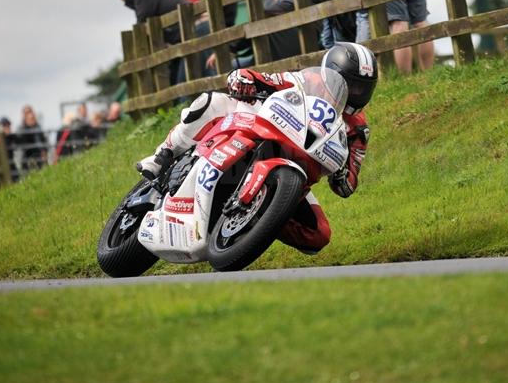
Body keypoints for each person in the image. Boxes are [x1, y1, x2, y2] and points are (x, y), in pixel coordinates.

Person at [136, 42, 378, 255]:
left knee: (320, 234)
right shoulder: (307, 82)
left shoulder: (357, 129)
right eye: (351, 85)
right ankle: (163, 155)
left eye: (363, 88)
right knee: (212, 101)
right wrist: (245, 78)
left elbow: (348, 184)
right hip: (264, 131)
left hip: (295, 171)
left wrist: (341, 175)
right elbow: (269, 80)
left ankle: (258, 220)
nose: (356, 93)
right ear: (330, 74)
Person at [114, 0, 191, 85]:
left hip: (189, 30)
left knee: (182, 80)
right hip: (181, 34)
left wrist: (131, 47)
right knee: (177, 78)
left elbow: (141, 25)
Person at [189, 0, 254, 73]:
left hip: (214, 31)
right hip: (227, 29)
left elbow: (208, 13)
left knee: (212, 67)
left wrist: (200, 18)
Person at [16, 105, 48, 171]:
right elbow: (21, 143)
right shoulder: (21, 129)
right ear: (24, 115)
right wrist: (28, 127)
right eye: (27, 113)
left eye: (30, 112)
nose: (29, 115)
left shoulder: (38, 127)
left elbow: (43, 141)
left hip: (39, 156)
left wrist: (44, 151)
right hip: (27, 158)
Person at [0, 117, 20, 182]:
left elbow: (19, 142)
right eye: (5, 125)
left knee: (16, 177)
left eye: (8, 125)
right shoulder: (0, 137)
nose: (7, 127)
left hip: (11, 161)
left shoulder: (13, 136)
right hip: (2, 163)